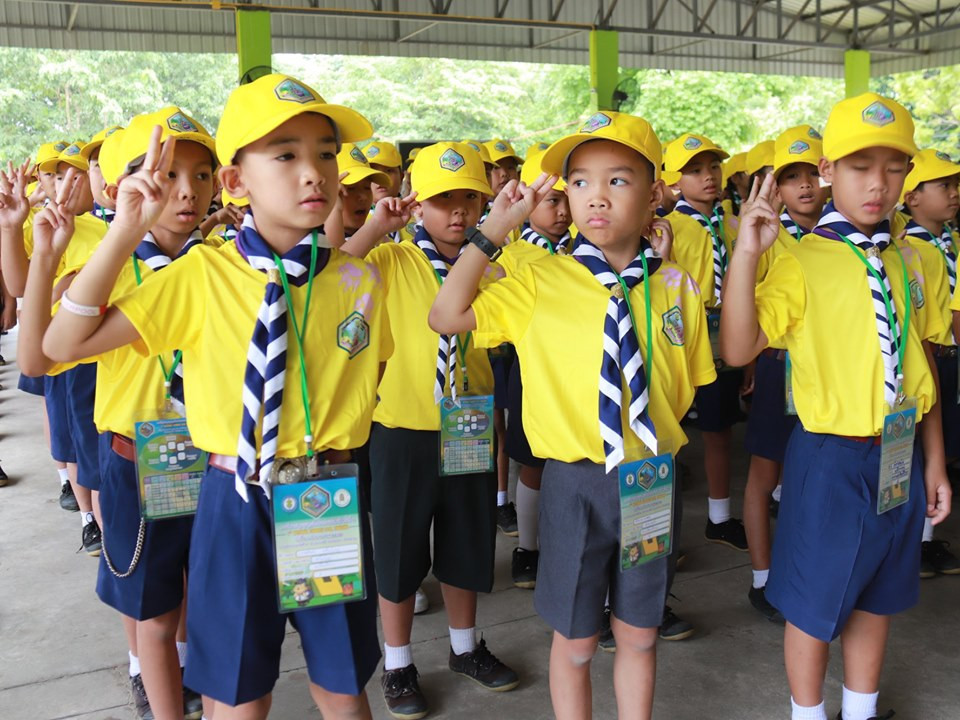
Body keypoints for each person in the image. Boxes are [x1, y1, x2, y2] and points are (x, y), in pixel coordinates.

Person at [41, 73, 393, 720]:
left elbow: (372, 370)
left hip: (324, 498)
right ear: (236, 184)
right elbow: (62, 342)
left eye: (325, 152)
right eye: (285, 155)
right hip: (232, 500)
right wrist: (123, 233)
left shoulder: (358, 282)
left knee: (342, 685)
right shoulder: (201, 276)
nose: (313, 172)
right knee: (237, 689)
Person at [429, 111, 715, 720]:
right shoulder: (537, 280)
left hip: (649, 478)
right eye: (580, 182)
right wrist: (494, 229)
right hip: (574, 481)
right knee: (578, 640)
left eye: (619, 180)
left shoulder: (675, 287)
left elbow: (685, 386)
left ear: (654, 191)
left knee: (639, 633)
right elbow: (446, 316)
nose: (596, 198)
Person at [721, 93, 952, 720]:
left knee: (879, 596)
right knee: (815, 603)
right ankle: (807, 713)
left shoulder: (915, 259)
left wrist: (936, 462)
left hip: (900, 451)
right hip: (830, 456)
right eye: (858, 166)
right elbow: (739, 345)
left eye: (894, 167)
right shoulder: (797, 259)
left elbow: (919, 362)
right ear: (827, 170)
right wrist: (747, 253)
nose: (877, 184)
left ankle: (859, 709)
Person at [742, 125, 826, 623]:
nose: (805, 185)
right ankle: (761, 577)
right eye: (791, 177)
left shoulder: (851, 241)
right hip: (779, 368)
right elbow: (745, 308)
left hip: (825, 372)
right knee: (764, 473)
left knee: (809, 477)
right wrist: (751, 366)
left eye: (812, 172)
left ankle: (802, 571)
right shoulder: (768, 236)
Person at [900, 148, 960, 576]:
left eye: (956, 185)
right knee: (920, 449)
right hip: (930, 355)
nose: (954, 193)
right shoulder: (913, 252)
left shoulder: (949, 242)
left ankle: (926, 537)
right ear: (913, 196)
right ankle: (919, 542)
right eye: (944, 185)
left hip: (946, 355)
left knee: (940, 448)